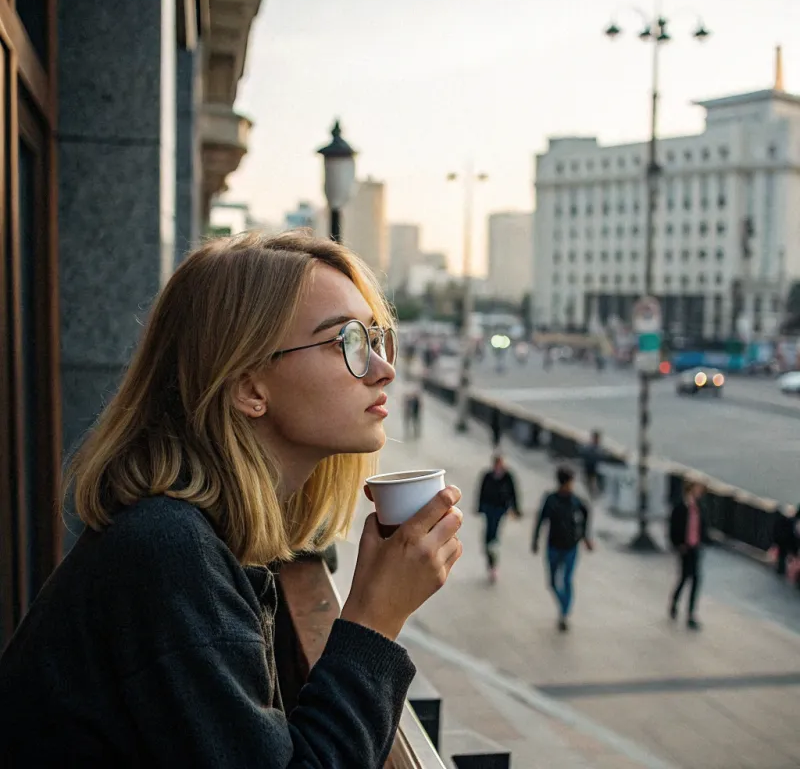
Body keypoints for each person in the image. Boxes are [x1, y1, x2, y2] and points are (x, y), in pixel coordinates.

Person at [0, 231, 464, 767]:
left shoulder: (188, 540)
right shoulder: (169, 554)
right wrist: (374, 618)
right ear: (249, 388)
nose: (384, 369)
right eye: (348, 343)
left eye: (377, 339)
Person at [532, 466, 593, 631]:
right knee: (552, 582)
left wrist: (585, 536)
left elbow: (586, 512)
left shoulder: (575, 501)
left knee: (566, 579)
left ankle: (564, 613)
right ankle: (563, 604)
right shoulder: (551, 500)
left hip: (570, 546)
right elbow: (541, 519)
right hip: (553, 545)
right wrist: (535, 539)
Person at [669, 480, 709, 630]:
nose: (700, 492)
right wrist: (678, 544)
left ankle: (691, 613)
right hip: (685, 548)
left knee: (696, 579)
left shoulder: (699, 507)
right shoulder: (681, 507)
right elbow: (674, 526)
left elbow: (702, 526)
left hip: (696, 547)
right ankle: (675, 601)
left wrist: (703, 541)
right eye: (697, 488)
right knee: (685, 577)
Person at [476, 453, 521, 583]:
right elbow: (481, 491)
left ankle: (492, 555)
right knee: (488, 534)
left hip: (500, 509)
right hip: (489, 508)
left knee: (492, 533)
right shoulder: (487, 476)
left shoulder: (508, 477)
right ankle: (490, 553)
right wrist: (479, 507)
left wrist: (515, 509)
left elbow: (514, 493)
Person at [772, 505, 800, 577]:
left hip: (787, 538)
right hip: (789, 538)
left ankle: (782, 569)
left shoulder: (789, 522)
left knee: (783, 553)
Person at [580, 430, 604, 500]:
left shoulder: (598, 448)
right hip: (589, 470)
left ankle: (592, 498)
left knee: (592, 486)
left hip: (595, 471)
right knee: (589, 486)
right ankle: (590, 498)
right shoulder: (589, 447)